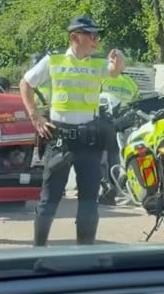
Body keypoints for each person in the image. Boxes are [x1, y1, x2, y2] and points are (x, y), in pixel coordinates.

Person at [20, 15, 126, 246]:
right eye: (91, 35)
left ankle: (85, 254)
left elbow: (114, 70)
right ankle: (38, 252)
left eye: (97, 35)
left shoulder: (97, 64)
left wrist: (119, 61)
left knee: (89, 202)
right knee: (49, 199)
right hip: (60, 139)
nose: (96, 40)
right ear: (75, 37)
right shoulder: (54, 60)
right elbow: (26, 83)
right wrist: (35, 116)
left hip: (89, 141)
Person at [98, 71, 139, 204]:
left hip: (103, 120)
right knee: (114, 156)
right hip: (122, 122)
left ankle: (105, 187)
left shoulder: (103, 78)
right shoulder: (130, 82)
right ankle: (113, 188)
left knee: (102, 157)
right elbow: (136, 102)